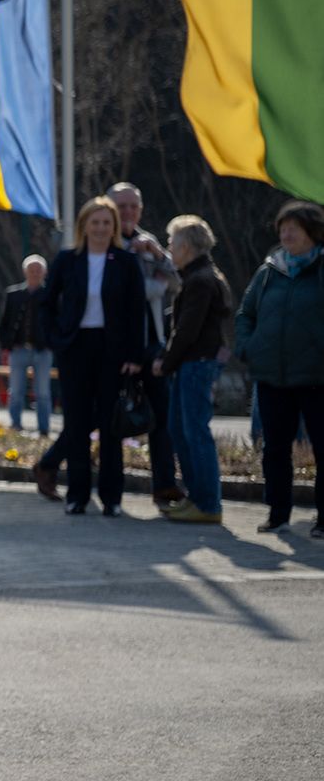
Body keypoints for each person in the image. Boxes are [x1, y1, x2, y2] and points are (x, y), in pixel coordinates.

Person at [42, 196, 148, 517]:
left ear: (114, 227)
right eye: (95, 222)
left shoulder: (126, 262)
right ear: (84, 226)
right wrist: (56, 340)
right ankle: (77, 495)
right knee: (76, 424)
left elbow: (136, 311)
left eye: (107, 222)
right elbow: (47, 303)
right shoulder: (67, 260)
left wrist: (134, 355)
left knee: (109, 424)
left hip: (112, 350)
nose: (101, 228)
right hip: (75, 348)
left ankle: (112, 496)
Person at [234, 200, 324, 537]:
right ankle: (277, 513)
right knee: (275, 449)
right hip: (272, 375)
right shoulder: (269, 270)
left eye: (294, 228)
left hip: (317, 377)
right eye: (283, 227)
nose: (286, 233)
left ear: (312, 233)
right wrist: (248, 347)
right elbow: (245, 314)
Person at [110, 183, 183, 507]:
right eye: (121, 206)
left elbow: (180, 284)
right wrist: (154, 286)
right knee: (110, 417)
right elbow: (120, 293)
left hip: (152, 343)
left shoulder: (148, 242)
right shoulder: (102, 241)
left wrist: (157, 254)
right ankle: (108, 489)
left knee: (162, 416)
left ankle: (165, 485)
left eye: (133, 206)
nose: (128, 212)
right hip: (114, 345)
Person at [157, 215, 233, 526]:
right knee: (180, 430)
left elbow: (187, 330)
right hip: (191, 364)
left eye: (172, 243)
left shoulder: (200, 280)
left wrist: (166, 362)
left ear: (187, 246)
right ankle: (197, 499)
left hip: (196, 364)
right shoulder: (198, 276)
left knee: (194, 433)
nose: (169, 249)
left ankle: (207, 503)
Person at [0, 256, 55, 438]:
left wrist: (51, 343)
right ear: (25, 272)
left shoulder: (51, 295)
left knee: (43, 393)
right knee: (16, 391)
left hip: (42, 350)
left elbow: (58, 321)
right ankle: (15, 426)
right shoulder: (13, 294)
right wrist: (7, 345)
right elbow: (5, 322)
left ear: (44, 272)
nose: (35, 273)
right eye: (32, 270)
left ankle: (44, 429)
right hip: (19, 349)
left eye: (38, 270)